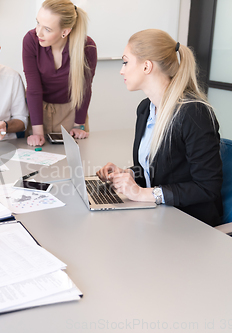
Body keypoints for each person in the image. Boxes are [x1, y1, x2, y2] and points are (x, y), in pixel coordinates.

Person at [96, 29, 223, 227]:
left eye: (126, 62)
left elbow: (207, 187)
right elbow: (159, 170)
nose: (122, 70)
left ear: (146, 66)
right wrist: (127, 175)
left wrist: (141, 193)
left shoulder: (194, 114)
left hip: (188, 221)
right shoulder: (146, 109)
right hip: (158, 213)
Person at [23, 0, 97, 147]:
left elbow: (84, 89)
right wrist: (37, 132)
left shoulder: (87, 47)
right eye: (38, 23)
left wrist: (79, 125)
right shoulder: (30, 40)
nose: (38, 32)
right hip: (38, 110)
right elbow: (33, 88)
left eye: (47, 29)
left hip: (72, 112)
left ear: (65, 31)